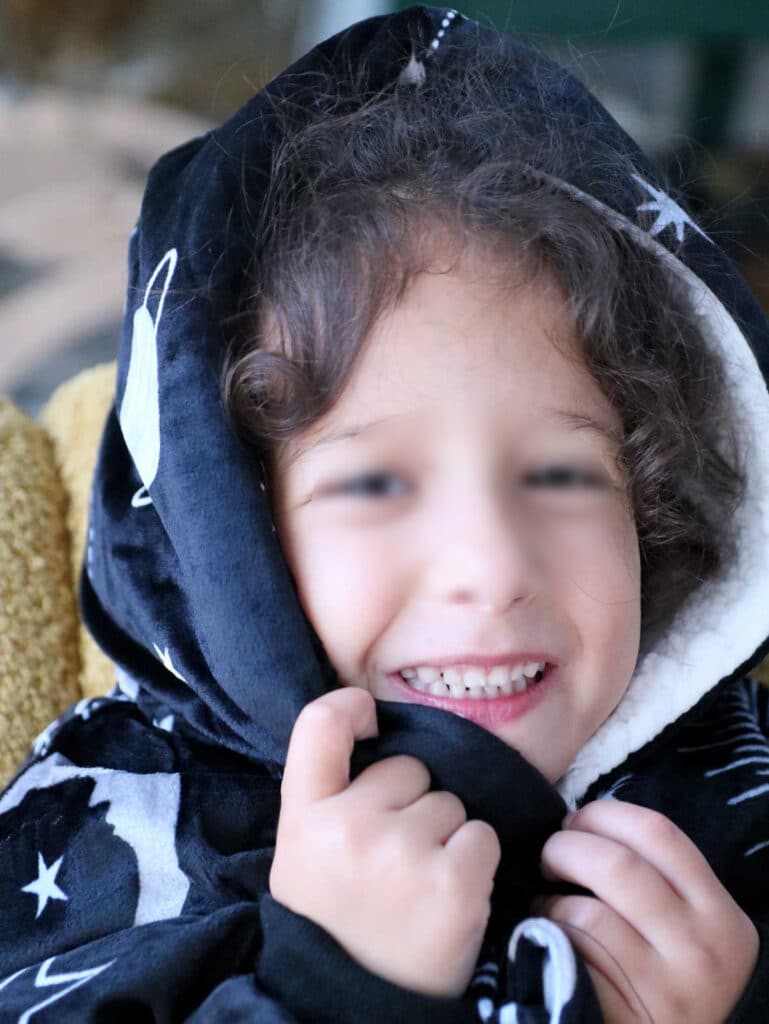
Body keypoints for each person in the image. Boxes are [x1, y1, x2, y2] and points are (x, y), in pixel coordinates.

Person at [1, 5, 769, 1021]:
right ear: (226, 536)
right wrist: (333, 989)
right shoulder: (108, 825)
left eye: (561, 474)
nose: (491, 568)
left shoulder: (736, 781)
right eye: (373, 485)